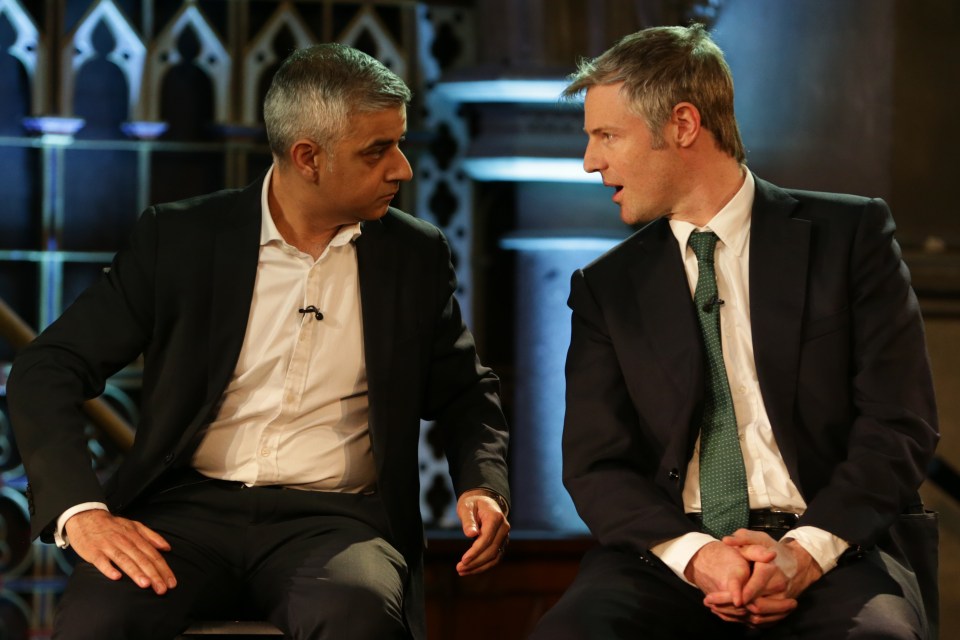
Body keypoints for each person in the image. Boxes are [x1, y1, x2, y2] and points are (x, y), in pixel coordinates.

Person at [7, 43, 510, 640]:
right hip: (185, 512)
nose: (401, 168)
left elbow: (464, 392)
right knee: (101, 619)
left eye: (398, 144)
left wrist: (483, 485)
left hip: (336, 523)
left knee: (357, 615)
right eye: (378, 151)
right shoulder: (182, 237)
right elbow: (48, 369)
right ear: (308, 158)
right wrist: (82, 512)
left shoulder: (415, 254)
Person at [529, 24, 938, 639]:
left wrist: (801, 554)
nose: (591, 160)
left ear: (683, 126)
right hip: (673, 552)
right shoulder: (606, 287)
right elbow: (595, 465)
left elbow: (898, 424)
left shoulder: (850, 236)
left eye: (606, 135)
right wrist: (701, 557)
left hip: (837, 543)